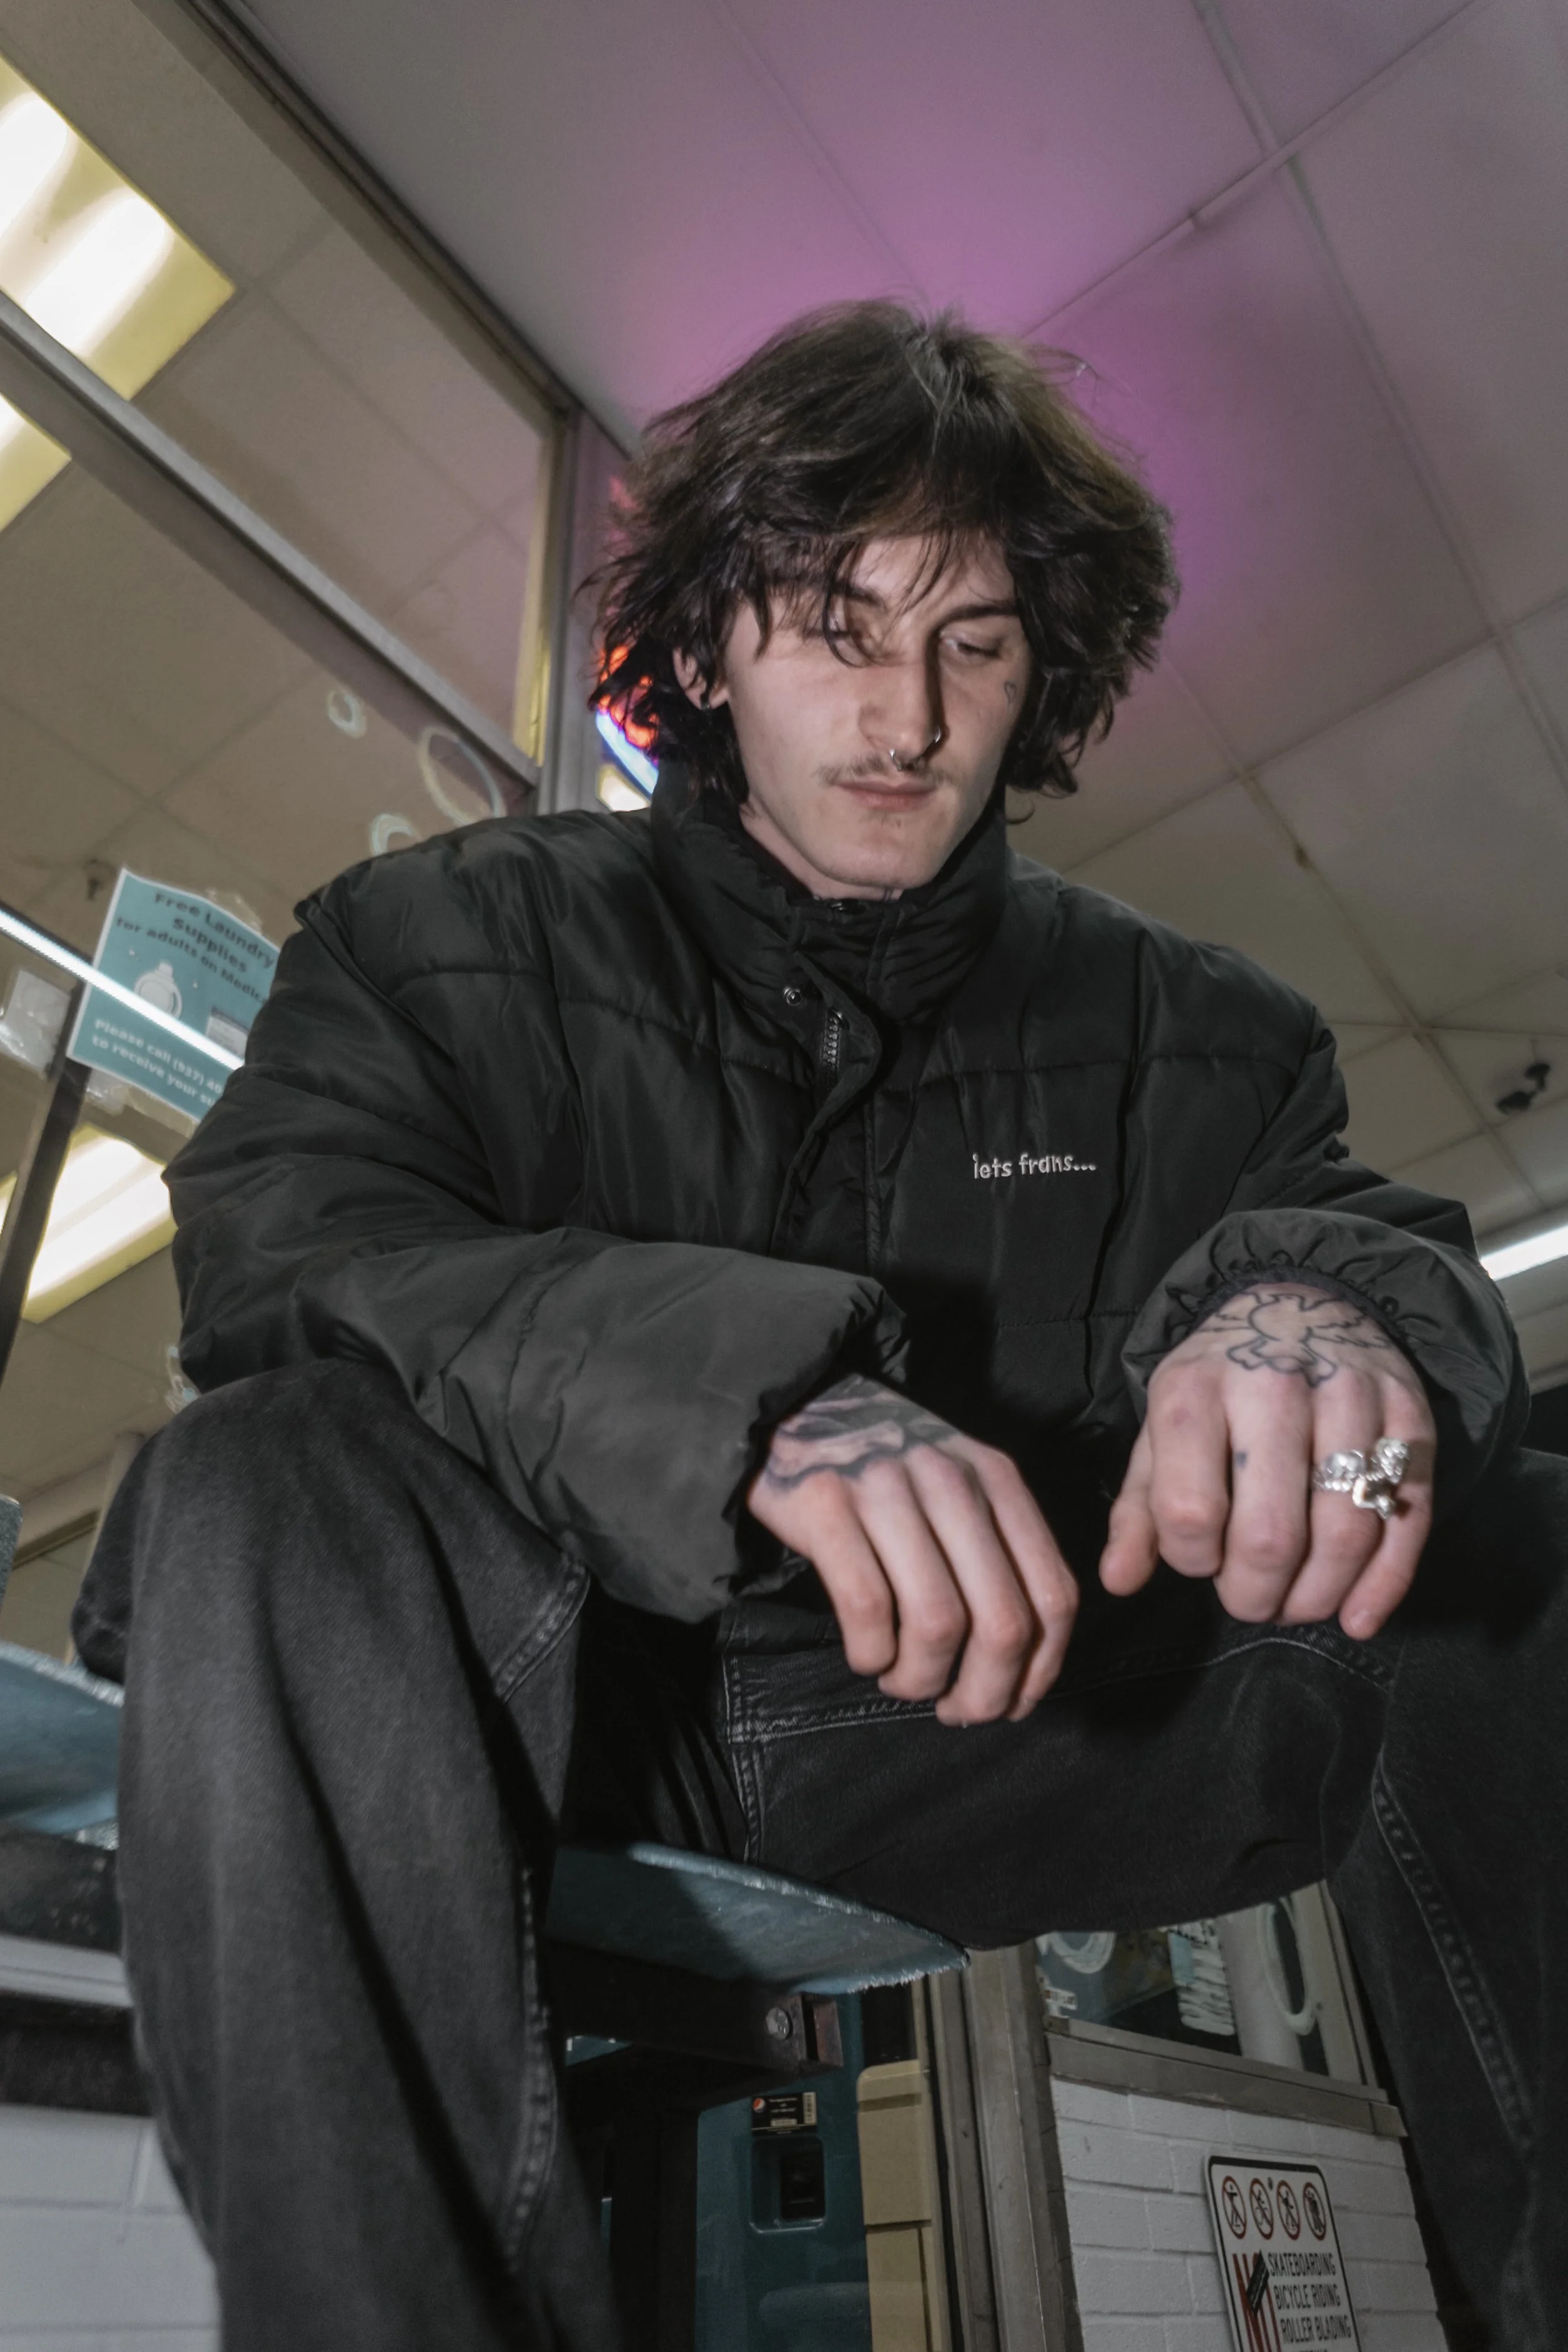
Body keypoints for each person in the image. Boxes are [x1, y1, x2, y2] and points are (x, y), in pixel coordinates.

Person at [75, 303, 1562, 2351]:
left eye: (973, 642)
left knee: (1504, 1539)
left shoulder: (1190, 1034)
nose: (908, 712)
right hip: (560, 1714)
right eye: (833, 626)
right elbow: (285, 1249)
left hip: (986, 1720)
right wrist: (759, 1397)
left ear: (1040, 673)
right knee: (258, 1476)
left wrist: (1318, 1318)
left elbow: (1351, 1227)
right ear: (701, 654)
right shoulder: (438, 944)